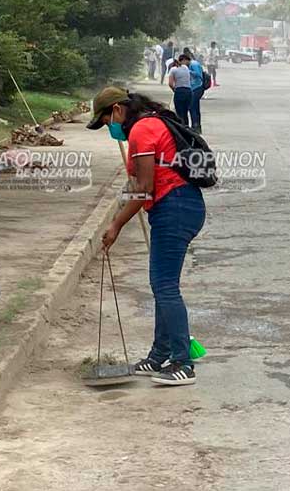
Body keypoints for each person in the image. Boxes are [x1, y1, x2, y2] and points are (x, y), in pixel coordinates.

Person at [89, 87, 205, 386]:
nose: (108, 129)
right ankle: (159, 355)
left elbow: (145, 187)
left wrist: (116, 225)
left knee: (165, 286)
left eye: (105, 122)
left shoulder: (142, 130)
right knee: (162, 286)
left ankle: (183, 362)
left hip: (175, 207)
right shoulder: (150, 123)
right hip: (180, 205)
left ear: (116, 110)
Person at [166, 53, 194, 126]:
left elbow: (170, 84)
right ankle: (187, 127)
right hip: (188, 92)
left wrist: (174, 90)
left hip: (180, 92)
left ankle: (181, 128)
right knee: (185, 112)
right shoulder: (186, 68)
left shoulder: (173, 70)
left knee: (179, 113)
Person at [185, 47, 206, 133]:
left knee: (192, 107)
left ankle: (195, 126)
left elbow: (199, 75)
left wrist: (189, 71)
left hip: (197, 87)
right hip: (193, 87)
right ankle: (197, 126)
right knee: (195, 107)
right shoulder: (190, 64)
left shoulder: (194, 64)